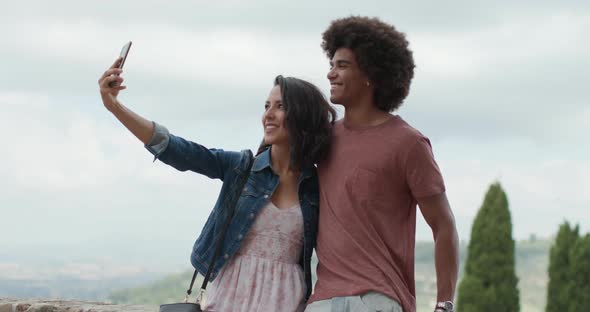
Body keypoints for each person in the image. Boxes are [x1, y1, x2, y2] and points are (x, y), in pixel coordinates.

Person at [97, 59, 336, 312]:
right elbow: (177, 149)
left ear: (302, 116)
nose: (268, 114)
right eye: (267, 106)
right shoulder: (241, 168)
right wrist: (115, 107)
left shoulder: (317, 186)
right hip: (230, 298)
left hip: (286, 301)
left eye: (280, 106)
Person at [305, 16, 460, 312]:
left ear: (370, 75)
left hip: (377, 300)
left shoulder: (408, 144)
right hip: (321, 302)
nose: (330, 74)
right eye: (331, 64)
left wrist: (444, 304)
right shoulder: (321, 139)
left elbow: (444, 225)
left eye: (342, 65)